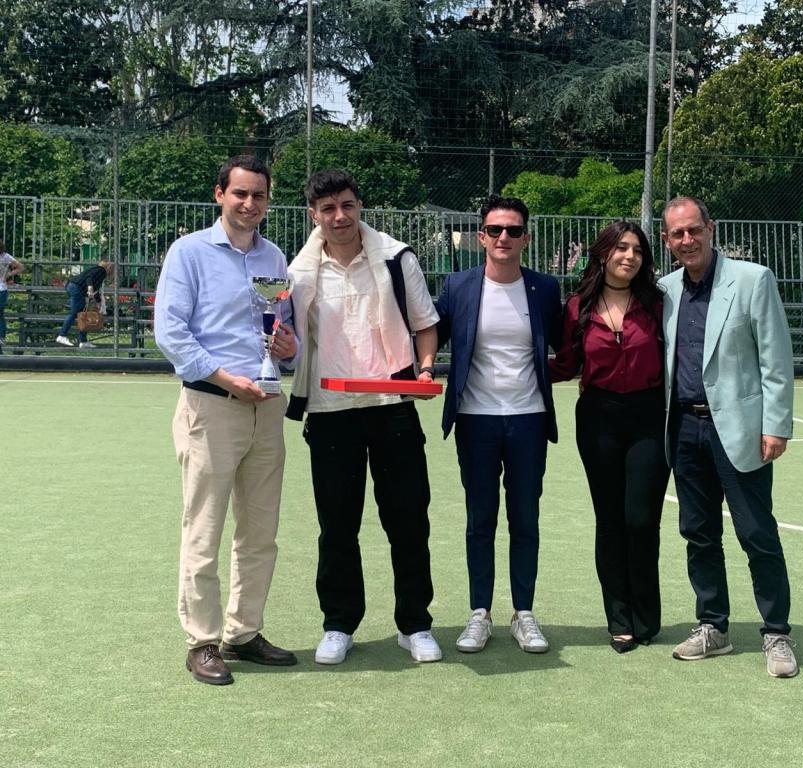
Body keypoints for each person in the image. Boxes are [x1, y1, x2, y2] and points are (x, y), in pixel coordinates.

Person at [286, 169, 442, 665]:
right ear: (313, 214)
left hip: (392, 407)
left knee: (409, 521)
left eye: (348, 206)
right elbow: (289, 341)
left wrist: (424, 366)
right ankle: (339, 624)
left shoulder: (397, 258)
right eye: (328, 209)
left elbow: (425, 325)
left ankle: (414, 624)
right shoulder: (298, 272)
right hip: (331, 413)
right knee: (337, 526)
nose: (339, 217)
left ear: (360, 207)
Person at [154, 155, 299, 686]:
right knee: (205, 528)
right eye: (239, 193)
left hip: (267, 406)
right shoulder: (189, 252)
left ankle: (244, 631)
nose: (249, 204)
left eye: (258, 195)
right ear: (219, 194)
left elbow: (282, 329)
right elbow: (171, 332)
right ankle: (203, 640)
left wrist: (287, 348)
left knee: (260, 532)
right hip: (211, 405)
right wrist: (222, 377)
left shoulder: (276, 257)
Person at [658, 196, 798, 678]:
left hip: (738, 430)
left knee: (757, 533)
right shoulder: (665, 290)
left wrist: (776, 425)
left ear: (710, 229)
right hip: (684, 430)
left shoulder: (753, 280)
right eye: (677, 234)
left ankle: (776, 633)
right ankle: (712, 626)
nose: (687, 240)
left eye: (694, 230)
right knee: (698, 533)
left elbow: (776, 360)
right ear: (666, 239)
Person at [435, 195, 562, 654]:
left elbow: (565, 343)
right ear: (481, 236)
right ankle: (479, 613)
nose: (503, 238)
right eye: (494, 230)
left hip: (528, 419)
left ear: (525, 236)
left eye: (512, 230)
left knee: (525, 517)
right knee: (480, 519)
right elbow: (429, 333)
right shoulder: (459, 285)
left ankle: (523, 612)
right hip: (476, 420)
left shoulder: (545, 289)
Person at [549, 221, 670, 654]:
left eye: (638, 250)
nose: (630, 257)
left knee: (641, 519)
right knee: (610, 520)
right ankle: (618, 620)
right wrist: (510, 373)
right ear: (603, 254)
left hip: (649, 416)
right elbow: (565, 363)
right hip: (598, 417)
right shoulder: (578, 306)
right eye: (621, 248)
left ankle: (646, 616)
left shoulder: (657, 304)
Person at [56, 259, 112, 349]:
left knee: (82, 315)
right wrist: (90, 289)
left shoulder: (98, 271)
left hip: (74, 287)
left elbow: (95, 288)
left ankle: (83, 341)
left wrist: (98, 302)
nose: (112, 270)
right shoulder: (101, 270)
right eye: (111, 267)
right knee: (74, 313)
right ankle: (62, 335)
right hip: (76, 288)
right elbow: (89, 278)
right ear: (107, 266)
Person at [0, 241, 25, 351]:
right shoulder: (6, 257)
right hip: (2, 288)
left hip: (1, 287)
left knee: (0, 313)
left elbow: (20, 267)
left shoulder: (5, 257)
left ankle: (1, 337)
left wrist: (8, 275)